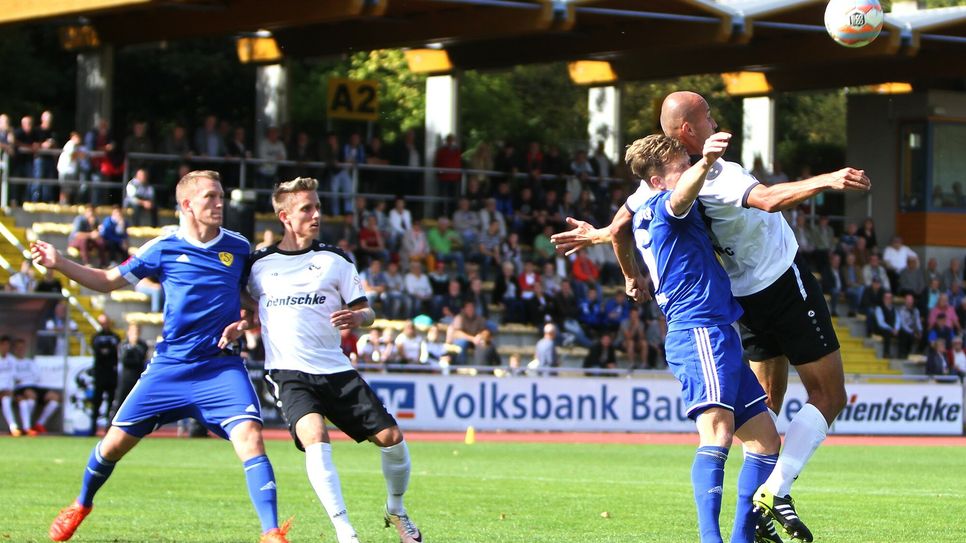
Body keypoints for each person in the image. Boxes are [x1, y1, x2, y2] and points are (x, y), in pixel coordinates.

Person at [553, 91, 872, 542]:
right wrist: (829, 179)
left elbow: (625, 222)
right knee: (822, 396)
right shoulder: (705, 177)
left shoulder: (653, 184)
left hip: (739, 302)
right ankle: (771, 496)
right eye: (707, 114)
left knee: (763, 425)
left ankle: (749, 529)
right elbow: (766, 200)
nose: (715, 119)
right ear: (688, 131)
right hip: (770, 288)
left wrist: (614, 252)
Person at [32, 170, 290, 543]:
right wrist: (60, 263)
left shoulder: (237, 247)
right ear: (187, 205)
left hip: (219, 367)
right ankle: (81, 503)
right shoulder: (163, 247)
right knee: (112, 447)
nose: (220, 204)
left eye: (221, 197)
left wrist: (245, 322)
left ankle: (271, 533)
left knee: (251, 437)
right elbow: (107, 281)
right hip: (170, 367)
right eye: (210, 198)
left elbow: (250, 299)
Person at [613, 132, 782, 543]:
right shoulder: (664, 205)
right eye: (679, 167)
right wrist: (705, 162)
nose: (688, 170)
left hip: (718, 329)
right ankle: (711, 539)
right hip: (699, 328)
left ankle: (741, 538)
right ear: (656, 181)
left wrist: (631, 275)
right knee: (717, 431)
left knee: (764, 441)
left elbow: (617, 231)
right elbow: (681, 197)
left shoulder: (645, 211)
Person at [246, 177, 422, 543]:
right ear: (284, 217)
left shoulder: (335, 259)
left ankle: (396, 509)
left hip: (336, 369)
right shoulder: (258, 265)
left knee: (392, 438)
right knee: (315, 435)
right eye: (306, 209)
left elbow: (367, 312)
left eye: (318, 207)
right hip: (288, 371)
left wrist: (358, 318)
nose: (316, 215)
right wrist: (244, 321)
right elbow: (244, 301)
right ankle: (346, 533)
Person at [12, 337, 60, 434]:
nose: (21, 350)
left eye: (23, 348)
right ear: (15, 349)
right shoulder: (12, 362)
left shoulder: (30, 362)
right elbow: (14, 378)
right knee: (30, 397)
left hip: (35, 386)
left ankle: (39, 424)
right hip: (21, 387)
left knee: (55, 398)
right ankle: (27, 428)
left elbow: (37, 376)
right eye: (19, 348)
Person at [89, 314, 121, 436]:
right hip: (100, 373)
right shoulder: (96, 337)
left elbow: (114, 351)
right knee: (97, 400)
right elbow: (98, 351)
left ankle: (108, 428)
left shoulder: (115, 336)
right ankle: (93, 427)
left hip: (111, 373)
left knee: (111, 401)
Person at [115, 323, 149, 416]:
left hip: (138, 378)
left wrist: (134, 346)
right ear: (128, 332)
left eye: (137, 331)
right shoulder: (123, 344)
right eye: (133, 331)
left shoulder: (142, 345)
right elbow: (124, 359)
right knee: (120, 403)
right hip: (125, 379)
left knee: (137, 403)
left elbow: (140, 359)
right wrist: (131, 346)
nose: (135, 333)